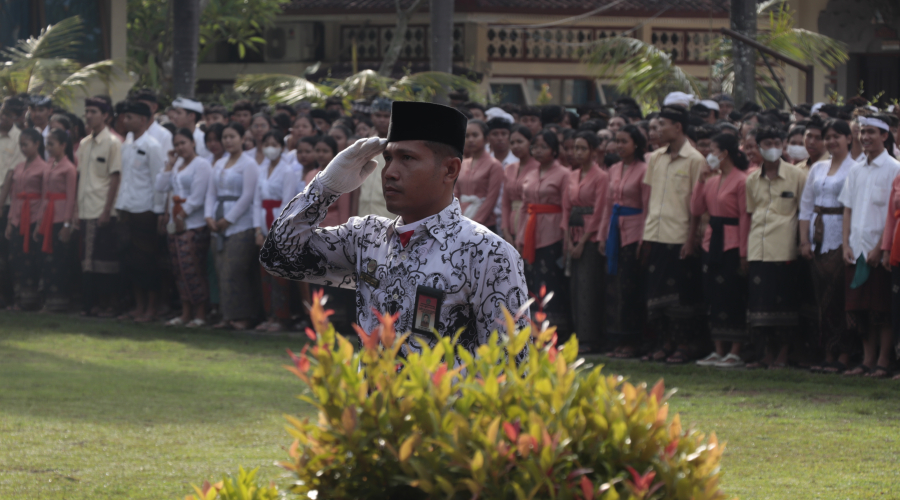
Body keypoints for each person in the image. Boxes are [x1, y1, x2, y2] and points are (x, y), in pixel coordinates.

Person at [260, 101, 529, 357]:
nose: (389, 172)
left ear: (449, 170)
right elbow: (278, 257)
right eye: (388, 158)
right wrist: (325, 187)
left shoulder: (488, 252)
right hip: (372, 403)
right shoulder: (367, 237)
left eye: (407, 158)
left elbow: (509, 363)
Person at [640, 105, 706, 364]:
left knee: (680, 297)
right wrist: (645, 233)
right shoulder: (655, 158)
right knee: (655, 297)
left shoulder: (695, 160)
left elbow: (696, 205)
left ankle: (683, 345)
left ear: (677, 127)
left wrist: (691, 239)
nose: (658, 130)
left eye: (663, 124)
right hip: (655, 233)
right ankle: (664, 343)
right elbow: (650, 199)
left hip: (679, 237)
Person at [841, 115, 900, 378]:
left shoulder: (894, 169)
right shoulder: (855, 168)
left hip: (879, 250)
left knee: (881, 309)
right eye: (862, 132)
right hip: (856, 248)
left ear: (885, 136)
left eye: (871, 132)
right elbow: (848, 209)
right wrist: (845, 244)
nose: (865, 137)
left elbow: (891, 214)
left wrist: (880, 247)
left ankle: (883, 361)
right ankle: (866, 360)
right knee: (859, 309)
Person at [745, 126, 807, 369]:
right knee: (759, 304)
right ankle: (764, 355)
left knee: (785, 304)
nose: (771, 148)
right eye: (766, 143)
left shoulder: (797, 175)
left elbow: (803, 211)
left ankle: (783, 354)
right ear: (759, 147)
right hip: (758, 247)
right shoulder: (751, 179)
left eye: (776, 143)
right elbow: (751, 213)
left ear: (782, 145)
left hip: (784, 248)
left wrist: (802, 242)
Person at [691, 133, 751, 368]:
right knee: (712, 294)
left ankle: (735, 349)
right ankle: (717, 349)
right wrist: (701, 180)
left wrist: (744, 252)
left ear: (725, 153)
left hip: (733, 242)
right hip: (711, 240)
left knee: (732, 295)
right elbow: (696, 208)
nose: (709, 155)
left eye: (713, 150)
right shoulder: (712, 179)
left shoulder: (741, 180)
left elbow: (745, 218)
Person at [799, 119, 854, 373]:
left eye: (837, 137)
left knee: (839, 298)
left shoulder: (855, 168)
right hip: (816, 235)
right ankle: (826, 352)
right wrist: (804, 240)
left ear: (849, 139)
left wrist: (847, 243)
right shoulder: (817, 169)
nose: (832, 141)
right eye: (828, 137)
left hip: (841, 236)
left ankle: (843, 353)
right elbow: (806, 205)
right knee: (821, 299)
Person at [598, 125, 650, 359]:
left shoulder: (644, 169)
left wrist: (644, 237)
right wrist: (603, 234)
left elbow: (647, 205)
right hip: (614, 231)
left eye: (624, 142)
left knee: (631, 287)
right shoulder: (614, 169)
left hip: (634, 230)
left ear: (636, 144)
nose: (619, 146)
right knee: (614, 287)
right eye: (617, 141)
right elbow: (607, 205)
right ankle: (617, 338)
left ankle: (633, 340)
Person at [115, 100, 167, 322]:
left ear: (144, 120)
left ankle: (152, 307)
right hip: (127, 207)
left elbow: (159, 181)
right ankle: (138, 305)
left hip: (145, 209)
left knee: (147, 261)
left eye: (131, 117)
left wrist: (159, 212)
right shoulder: (126, 145)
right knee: (131, 261)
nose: (126, 121)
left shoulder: (153, 146)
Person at [204, 123, 259, 330]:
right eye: (225, 137)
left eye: (232, 137)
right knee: (220, 270)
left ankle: (243, 315)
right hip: (217, 223)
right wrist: (209, 216)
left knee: (234, 270)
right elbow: (211, 193)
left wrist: (229, 218)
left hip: (240, 224)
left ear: (242, 138)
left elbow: (247, 196)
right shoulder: (219, 164)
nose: (228, 141)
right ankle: (227, 316)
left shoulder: (249, 164)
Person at [156, 128, 212, 328]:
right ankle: (185, 312)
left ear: (193, 143)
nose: (180, 148)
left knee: (193, 269)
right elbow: (161, 186)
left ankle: (200, 313)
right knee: (179, 269)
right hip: (175, 223)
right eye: (177, 144)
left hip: (193, 224)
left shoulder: (202, 164)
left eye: (183, 143)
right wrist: (169, 165)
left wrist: (182, 215)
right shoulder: (177, 164)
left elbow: (197, 196)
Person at [517, 130, 571, 332]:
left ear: (554, 150)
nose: (538, 151)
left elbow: (566, 207)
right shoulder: (530, 174)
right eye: (535, 147)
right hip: (530, 231)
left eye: (543, 147)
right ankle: (531, 328)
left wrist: (565, 237)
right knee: (530, 280)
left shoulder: (563, 173)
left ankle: (555, 329)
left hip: (552, 233)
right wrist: (520, 235)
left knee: (550, 281)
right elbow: (524, 206)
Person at [562, 130, 608, 352]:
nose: (577, 152)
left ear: (593, 151)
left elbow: (600, 211)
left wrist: (583, 242)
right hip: (573, 233)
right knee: (574, 287)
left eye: (582, 148)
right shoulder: (572, 175)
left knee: (588, 286)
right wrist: (568, 240)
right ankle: (577, 335)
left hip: (589, 236)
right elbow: (566, 208)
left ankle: (590, 338)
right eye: (575, 148)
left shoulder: (601, 177)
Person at [77, 97, 123, 317]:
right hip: (85, 208)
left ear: (105, 115)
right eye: (86, 111)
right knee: (88, 262)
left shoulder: (113, 143)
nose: (88, 115)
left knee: (106, 261)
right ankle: (92, 304)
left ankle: (111, 304)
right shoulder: (84, 144)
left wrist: (107, 210)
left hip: (103, 209)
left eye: (93, 111)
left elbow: (116, 178)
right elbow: (81, 178)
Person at [253, 130, 299, 332]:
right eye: (267, 143)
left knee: (279, 274)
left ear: (281, 147)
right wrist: (258, 230)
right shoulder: (262, 170)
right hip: (263, 220)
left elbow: (287, 203)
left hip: (279, 227)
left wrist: (273, 234)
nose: (270, 147)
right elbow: (256, 201)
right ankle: (269, 314)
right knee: (265, 275)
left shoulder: (287, 171)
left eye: (274, 143)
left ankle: (282, 317)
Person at [1, 128, 48, 309]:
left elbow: (45, 196)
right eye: (20, 145)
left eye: (25, 145)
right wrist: (10, 220)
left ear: (37, 144)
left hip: (34, 216)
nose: (22, 148)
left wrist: (40, 221)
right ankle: (19, 297)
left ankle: (33, 299)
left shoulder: (43, 168)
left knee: (33, 258)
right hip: (18, 217)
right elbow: (14, 195)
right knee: (15, 258)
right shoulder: (19, 167)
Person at [35, 129, 77, 312]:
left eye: (52, 144)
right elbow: (44, 194)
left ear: (63, 145)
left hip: (60, 216)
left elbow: (70, 197)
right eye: (47, 144)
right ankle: (48, 299)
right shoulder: (49, 164)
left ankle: (60, 301)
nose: (48, 148)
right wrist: (39, 221)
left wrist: (67, 224)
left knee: (59, 260)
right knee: (47, 259)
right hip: (47, 216)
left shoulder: (69, 168)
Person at [0, 97, 26, 306]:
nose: (2, 118)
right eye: (1, 113)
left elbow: (10, 175)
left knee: (6, 251)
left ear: (17, 117)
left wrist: (0, 204)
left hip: (7, 203)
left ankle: (8, 295)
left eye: (7, 115)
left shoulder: (20, 139)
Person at [455, 120, 503, 230]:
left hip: (485, 224)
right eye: (467, 136)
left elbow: (491, 198)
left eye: (475, 135)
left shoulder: (494, 165)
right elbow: (455, 194)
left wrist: (476, 222)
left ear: (486, 138)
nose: (471, 139)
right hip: (461, 221)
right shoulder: (463, 163)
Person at [357, 98, 395, 219]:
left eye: (386, 116)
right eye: (378, 115)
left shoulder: (398, 146)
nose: (382, 120)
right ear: (372, 116)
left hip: (389, 216)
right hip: (363, 215)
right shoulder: (365, 144)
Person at [501, 125, 537, 245]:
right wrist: (505, 231)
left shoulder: (538, 167)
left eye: (520, 142)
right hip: (511, 224)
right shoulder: (509, 168)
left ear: (530, 142)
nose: (516, 146)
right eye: (512, 143)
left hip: (531, 221)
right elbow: (505, 203)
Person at [132, 88, 173, 154]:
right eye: (138, 106)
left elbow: (166, 162)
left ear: (154, 107)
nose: (140, 110)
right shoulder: (130, 134)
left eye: (144, 106)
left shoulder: (164, 135)